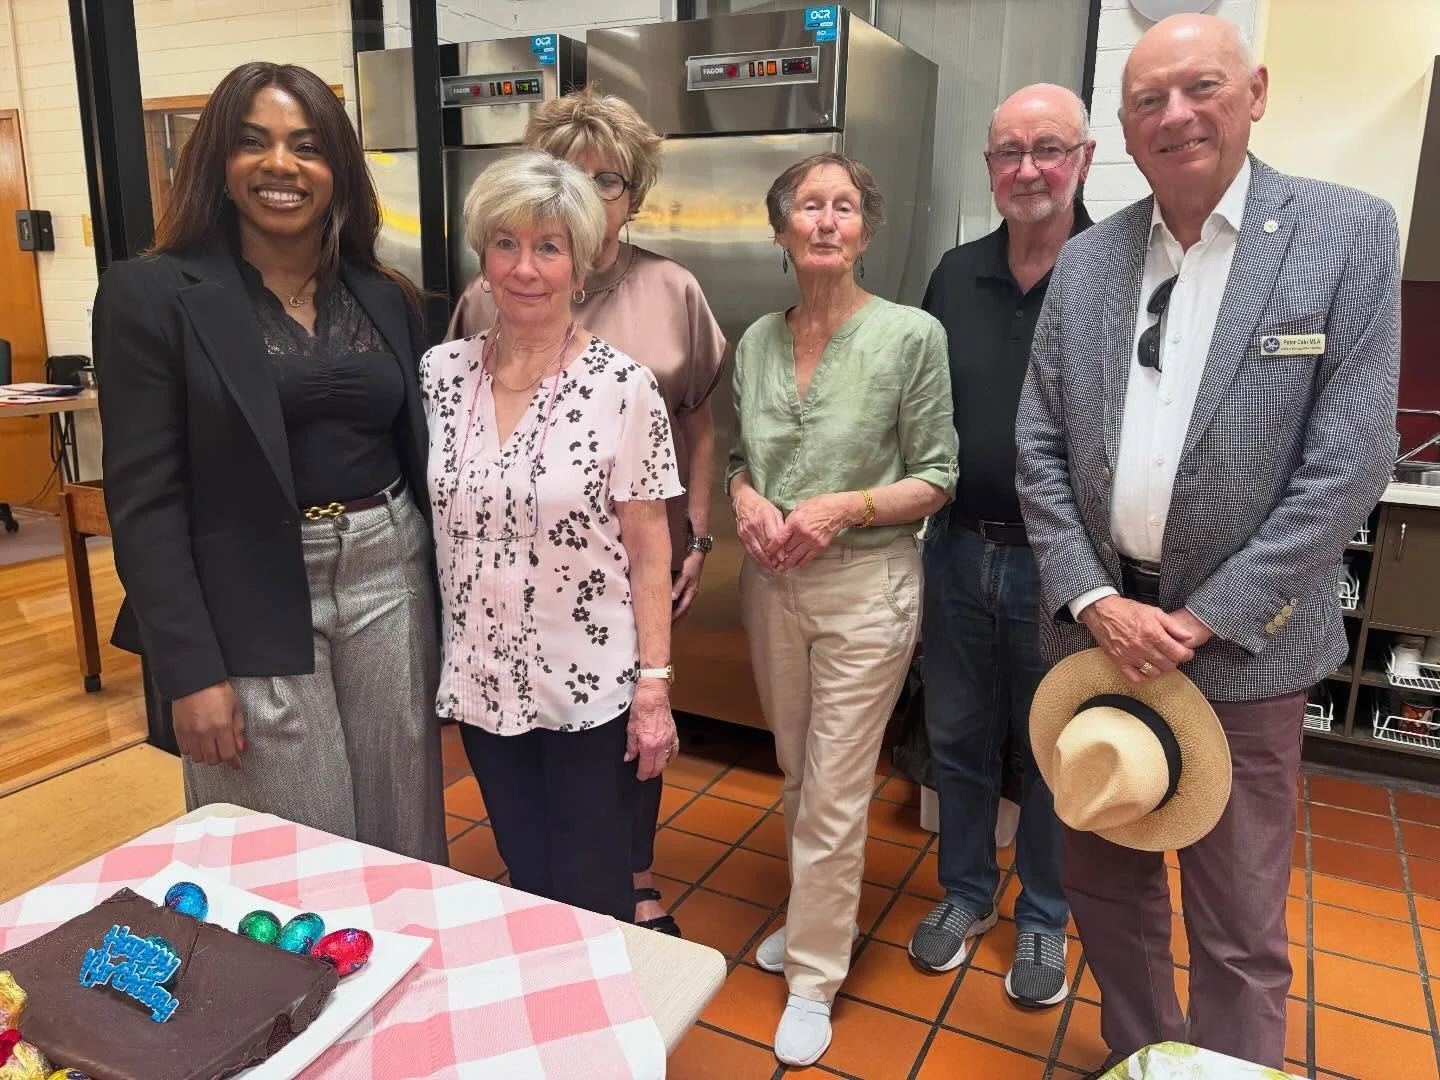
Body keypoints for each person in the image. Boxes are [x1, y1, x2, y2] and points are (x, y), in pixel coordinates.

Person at [1016, 14, 1400, 1073]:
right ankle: (1146, 1060)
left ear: (1256, 91)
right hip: (1097, 642)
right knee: (1106, 889)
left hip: (1242, 650)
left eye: (1201, 88)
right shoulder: (1090, 260)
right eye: (1148, 100)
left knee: (1236, 922)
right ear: (1126, 132)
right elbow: (1038, 445)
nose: (1176, 115)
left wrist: (1200, 617)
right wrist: (1094, 600)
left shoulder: (1346, 233)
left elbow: (1351, 463)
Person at [94, 62, 446, 863]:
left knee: (406, 838)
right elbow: (145, 502)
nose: (281, 165)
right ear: (219, 162)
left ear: (338, 173)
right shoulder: (149, 295)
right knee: (288, 849)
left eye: (308, 147)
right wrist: (188, 673)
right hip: (244, 589)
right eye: (254, 143)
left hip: (390, 573)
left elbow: (421, 455)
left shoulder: (385, 293)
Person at [447, 88, 725, 935]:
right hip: (521, 570)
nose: (588, 195)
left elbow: (702, 418)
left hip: (642, 539)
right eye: (570, 174)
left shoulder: (670, 289)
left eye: (608, 181)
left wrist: (699, 533)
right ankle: (579, 885)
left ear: (632, 196)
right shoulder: (481, 309)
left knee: (631, 720)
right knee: (558, 771)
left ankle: (628, 874)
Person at [728, 152, 957, 1067]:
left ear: (867, 228)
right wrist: (745, 499)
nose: (826, 221)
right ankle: (814, 914)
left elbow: (939, 475)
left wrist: (842, 508)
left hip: (869, 587)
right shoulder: (754, 341)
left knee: (833, 788)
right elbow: (745, 460)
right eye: (807, 208)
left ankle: (815, 975)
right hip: (770, 585)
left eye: (844, 207)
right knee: (794, 770)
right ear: (781, 229)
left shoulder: (910, 336)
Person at [910, 84, 1095, 1007]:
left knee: (1056, 750)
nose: (1028, 169)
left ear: (1085, 160)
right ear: (989, 169)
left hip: (1070, 571)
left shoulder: (1119, 270)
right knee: (958, 737)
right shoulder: (954, 272)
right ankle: (967, 894)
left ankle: (1045, 918)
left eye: (1049, 149)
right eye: (1008, 152)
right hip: (953, 551)